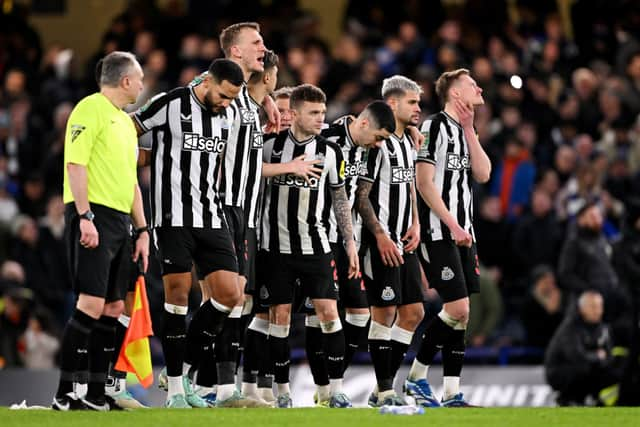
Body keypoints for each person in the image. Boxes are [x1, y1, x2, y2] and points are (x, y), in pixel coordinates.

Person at [133, 58, 245, 408]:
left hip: (211, 216)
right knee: (177, 298)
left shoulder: (226, 115)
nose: (227, 103)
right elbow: (130, 130)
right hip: (172, 217)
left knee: (229, 294)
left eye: (232, 99)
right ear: (209, 81)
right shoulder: (171, 103)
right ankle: (179, 389)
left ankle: (178, 368)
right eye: (224, 95)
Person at [53, 51, 149, 411]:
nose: (142, 85)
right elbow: (75, 164)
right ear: (125, 81)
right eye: (139, 79)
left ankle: (94, 393)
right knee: (90, 303)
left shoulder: (125, 123)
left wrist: (143, 230)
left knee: (112, 307)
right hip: (93, 213)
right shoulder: (88, 109)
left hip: (121, 221)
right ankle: (63, 393)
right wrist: (84, 216)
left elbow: (133, 182)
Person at [260, 84, 358, 408]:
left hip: (317, 247)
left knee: (330, 314)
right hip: (276, 248)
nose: (320, 118)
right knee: (280, 317)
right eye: (313, 113)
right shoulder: (270, 147)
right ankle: (283, 392)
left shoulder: (331, 152)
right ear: (295, 114)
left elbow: (340, 198)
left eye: (322, 112)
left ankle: (335, 389)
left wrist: (350, 242)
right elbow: (244, 176)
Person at [407, 68, 491, 407]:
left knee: (462, 314)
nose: (479, 88)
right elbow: (423, 182)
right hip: (440, 231)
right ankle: (415, 376)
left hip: (463, 234)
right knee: (457, 307)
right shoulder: (434, 127)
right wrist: (453, 224)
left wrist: (471, 131)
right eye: (472, 85)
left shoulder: (463, 130)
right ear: (455, 94)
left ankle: (452, 392)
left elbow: (483, 173)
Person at [305, 101, 396, 406]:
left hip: (348, 241)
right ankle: (325, 388)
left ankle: (330, 385)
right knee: (318, 316)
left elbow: (359, 196)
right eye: (379, 136)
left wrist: (358, 238)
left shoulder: (371, 151)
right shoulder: (327, 138)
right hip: (316, 238)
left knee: (359, 314)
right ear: (364, 123)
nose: (380, 144)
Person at [355, 75, 424, 407]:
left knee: (413, 312)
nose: (418, 109)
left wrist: (416, 222)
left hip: (405, 238)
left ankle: (383, 387)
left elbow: (409, 185)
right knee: (383, 314)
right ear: (392, 103)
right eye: (412, 102)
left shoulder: (409, 142)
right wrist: (380, 235)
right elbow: (361, 196)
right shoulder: (376, 143)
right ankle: (385, 392)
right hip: (378, 241)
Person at [545, 291, 621, 406]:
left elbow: (609, 356)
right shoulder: (570, 327)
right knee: (582, 367)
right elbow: (576, 356)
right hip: (560, 373)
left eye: (600, 306)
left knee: (618, 368)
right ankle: (568, 399)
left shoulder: (603, 328)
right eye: (593, 306)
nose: (597, 310)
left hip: (589, 369)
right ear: (582, 309)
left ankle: (600, 400)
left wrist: (601, 359)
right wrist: (597, 356)